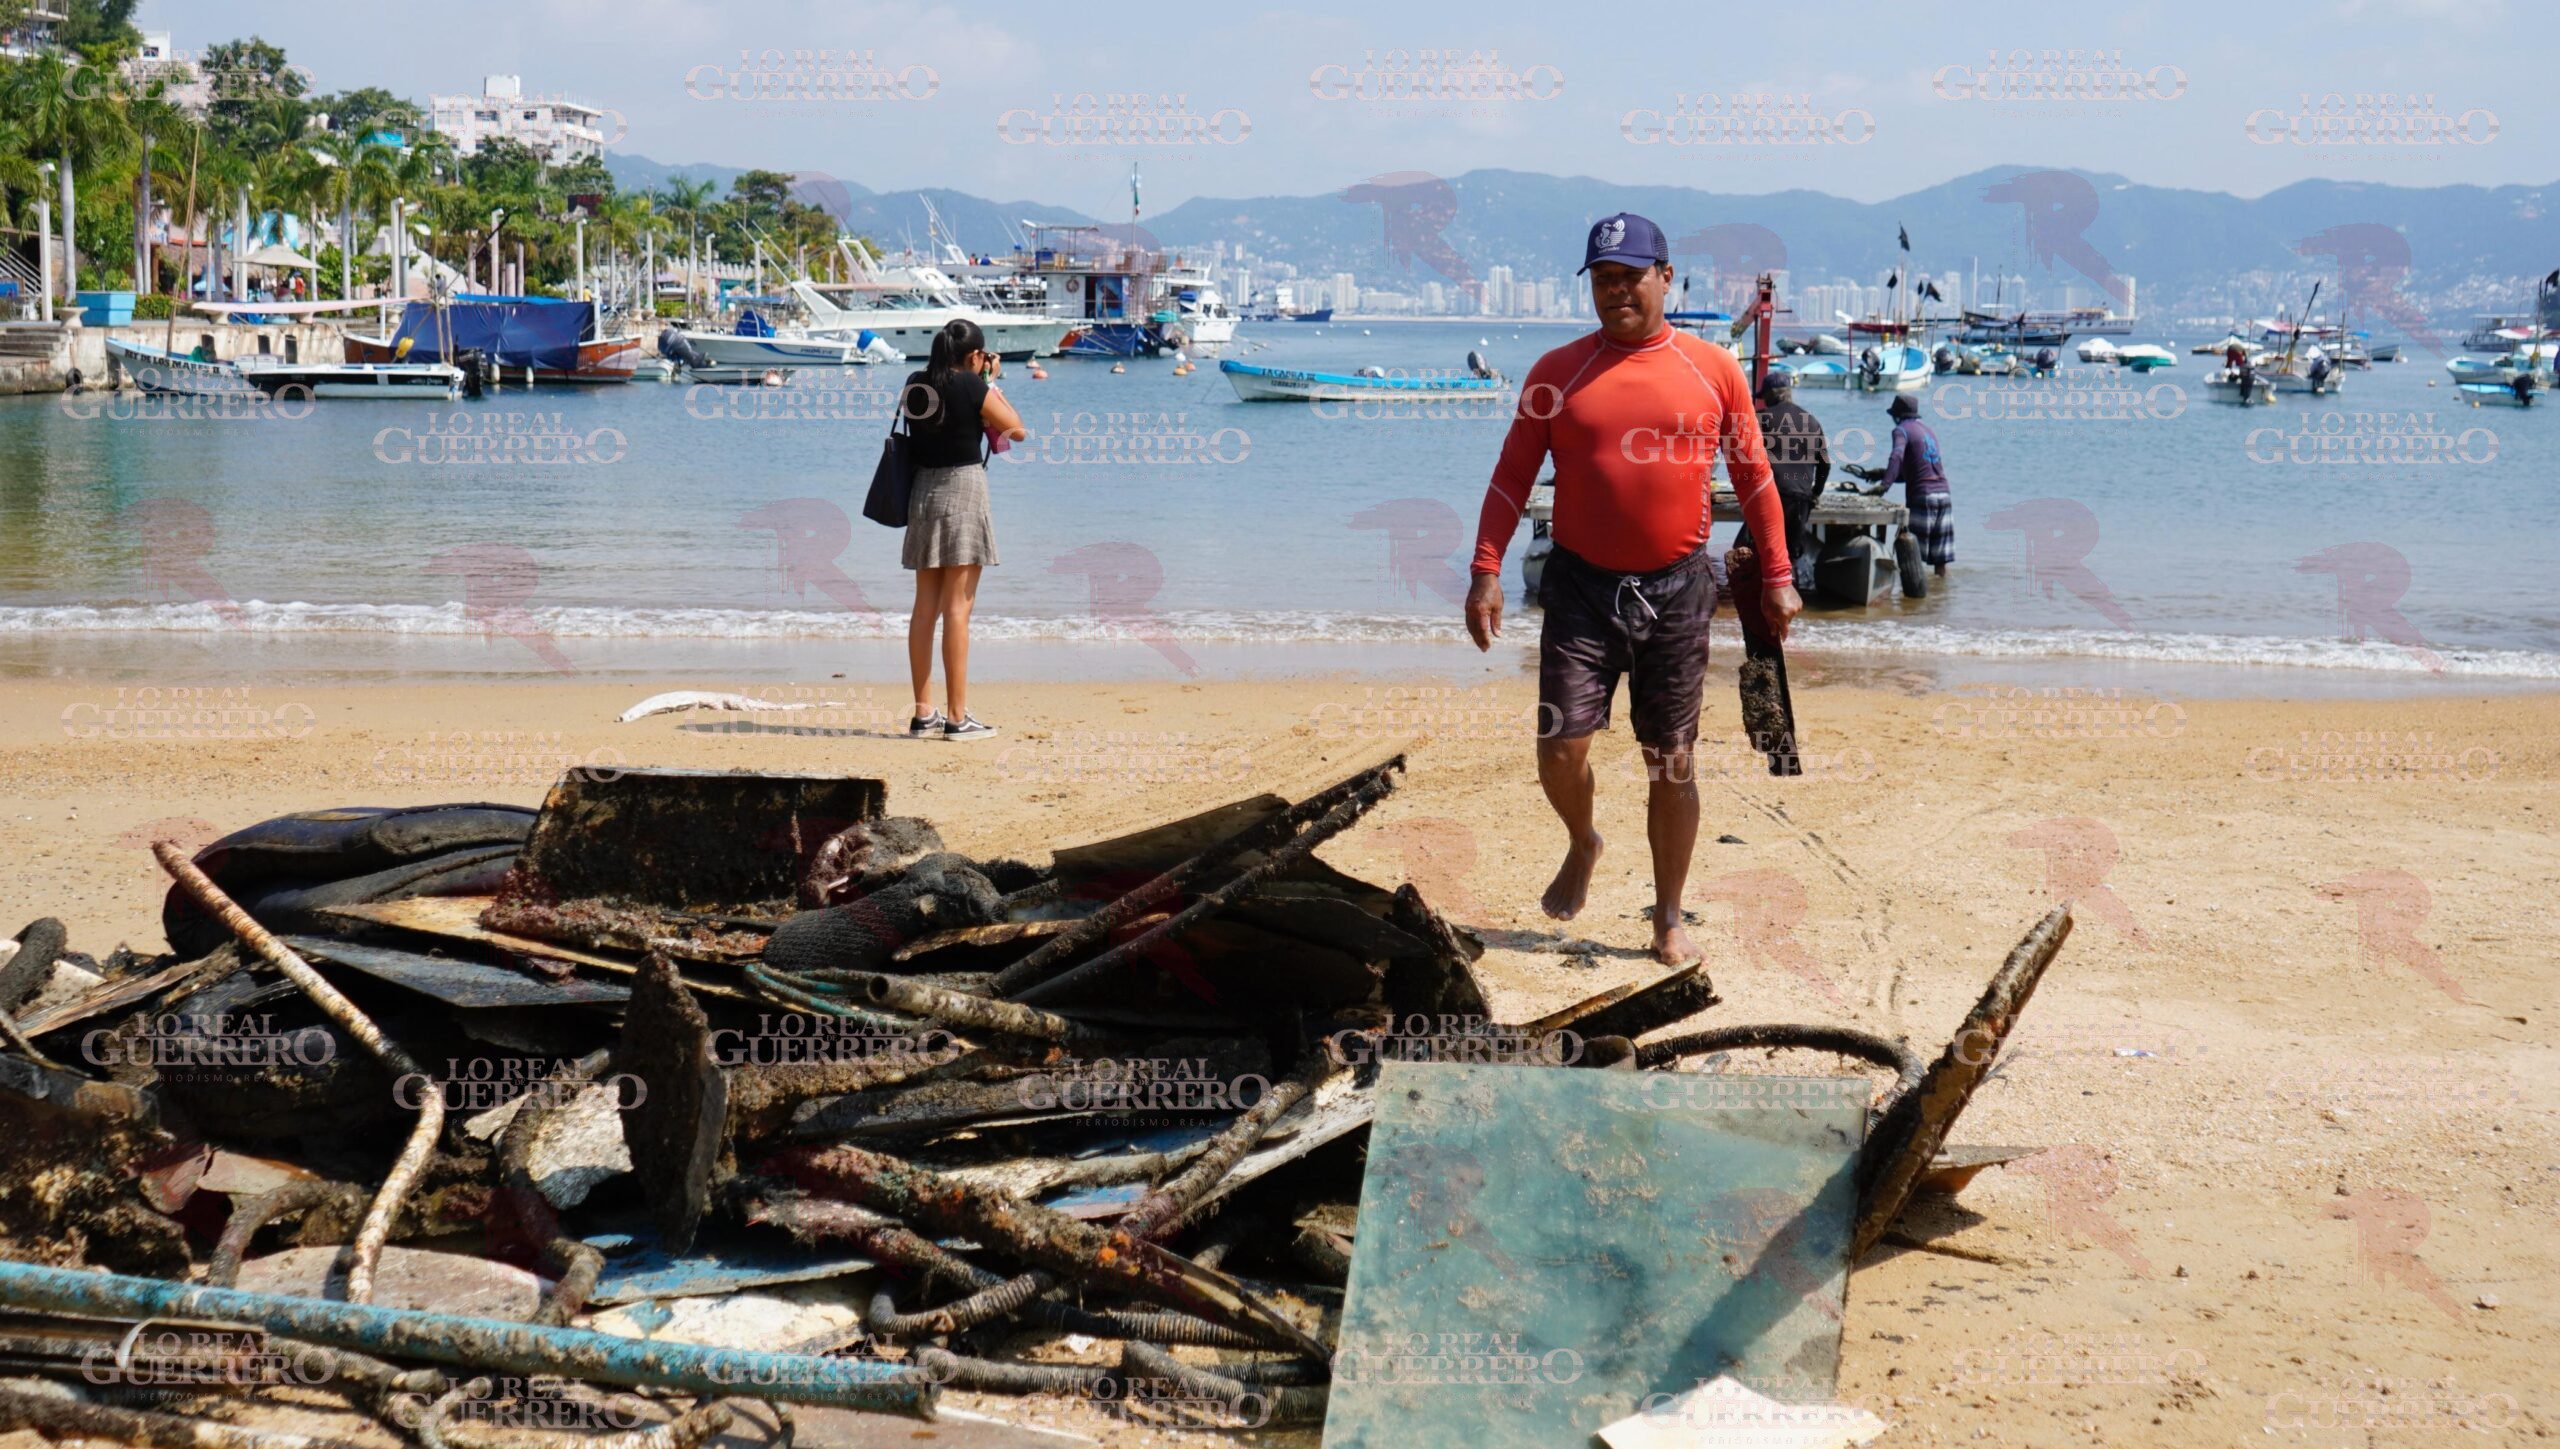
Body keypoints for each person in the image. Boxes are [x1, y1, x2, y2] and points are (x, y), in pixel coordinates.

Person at [1464, 212, 1801, 966]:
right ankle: (1583, 840)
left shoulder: (1711, 368)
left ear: (1666, 277)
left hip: (1679, 589)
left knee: (1671, 760)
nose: (1616, 291)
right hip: (1581, 587)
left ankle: (1668, 917)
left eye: (1630, 276)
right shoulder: (1557, 372)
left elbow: (1754, 479)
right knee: (1559, 745)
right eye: (1603, 279)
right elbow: (1512, 476)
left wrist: (1777, 575)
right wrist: (1487, 569)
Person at [899, 319, 1026, 742]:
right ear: (974, 355)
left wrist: (979, 377)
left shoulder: (916, 383)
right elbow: (1016, 429)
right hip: (962, 491)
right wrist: (988, 381)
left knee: (924, 609)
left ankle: (923, 714)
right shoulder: (972, 386)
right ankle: (957, 717)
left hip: (922, 492)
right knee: (958, 610)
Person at [1750, 369, 1829, 591]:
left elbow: (1746, 458)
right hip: (1800, 498)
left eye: (1763, 397)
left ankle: (1762, 604)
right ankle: (1795, 606)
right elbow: (1825, 464)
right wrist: (1816, 493)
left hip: (1769, 496)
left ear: (1771, 395)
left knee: (1761, 552)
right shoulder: (1811, 421)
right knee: (1791, 556)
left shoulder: (1761, 419)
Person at [1883, 395, 1952, 576]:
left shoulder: (1901, 430)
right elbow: (1920, 469)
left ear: (1897, 415)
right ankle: (1940, 597)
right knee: (1940, 559)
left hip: (1923, 497)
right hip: (1944, 494)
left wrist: (1884, 485)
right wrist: (1883, 474)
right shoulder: (1928, 431)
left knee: (1912, 555)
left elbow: (1897, 456)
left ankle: (1913, 599)